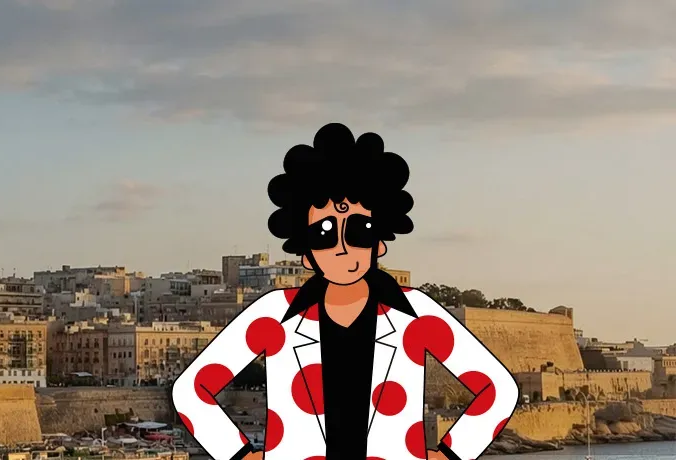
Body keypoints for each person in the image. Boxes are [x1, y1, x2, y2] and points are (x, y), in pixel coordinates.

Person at [171, 123, 517, 460]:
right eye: (324, 234)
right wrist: (241, 455)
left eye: (359, 230)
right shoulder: (274, 315)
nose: (342, 247)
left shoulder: (416, 314)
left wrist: (449, 454)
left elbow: (498, 390)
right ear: (305, 253)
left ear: (378, 243)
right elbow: (191, 391)